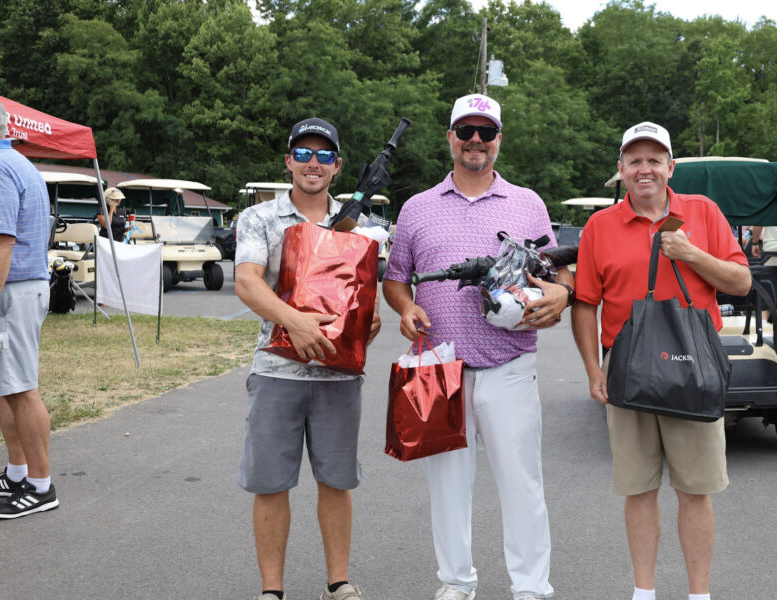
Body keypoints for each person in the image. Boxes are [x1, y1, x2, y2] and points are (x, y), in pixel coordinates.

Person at [383, 93, 570, 600]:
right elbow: (396, 279)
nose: (475, 141)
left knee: (522, 485)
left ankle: (531, 588)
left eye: (485, 132)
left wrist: (559, 292)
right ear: (450, 137)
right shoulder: (418, 207)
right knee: (447, 489)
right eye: (465, 130)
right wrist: (404, 308)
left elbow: (555, 271)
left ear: (498, 141)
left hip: (509, 364)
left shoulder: (528, 203)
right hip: (440, 367)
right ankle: (456, 584)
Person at [571, 122, 751, 600]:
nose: (644, 169)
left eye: (654, 160)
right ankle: (644, 591)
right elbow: (585, 303)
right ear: (621, 170)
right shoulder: (599, 227)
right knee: (638, 488)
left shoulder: (704, 213)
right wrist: (594, 369)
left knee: (696, 489)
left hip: (693, 365)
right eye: (635, 160)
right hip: (628, 369)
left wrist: (691, 253)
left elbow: (740, 282)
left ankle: (699, 594)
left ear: (671, 167)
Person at [234, 117, 380, 600]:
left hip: (338, 377)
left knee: (336, 481)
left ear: (337, 166)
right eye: (302, 153)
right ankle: (271, 591)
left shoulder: (363, 225)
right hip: (276, 371)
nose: (312, 164)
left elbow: (368, 296)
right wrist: (294, 321)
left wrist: (368, 323)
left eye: (323, 156)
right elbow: (248, 281)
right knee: (271, 483)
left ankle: (337, 583)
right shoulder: (259, 218)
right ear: (287, 161)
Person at [0, 93, 57, 518]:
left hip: (10, 293)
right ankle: (19, 470)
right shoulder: (15, 163)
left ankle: (41, 486)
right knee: (1, 384)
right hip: (16, 290)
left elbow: (2, 239)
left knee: (21, 388)